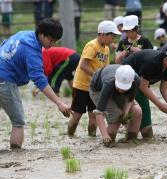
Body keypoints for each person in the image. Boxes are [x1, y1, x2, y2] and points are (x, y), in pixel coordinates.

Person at [0, 18, 71, 149]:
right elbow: (39, 79)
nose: (52, 44)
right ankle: (16, 158)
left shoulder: (23, 34)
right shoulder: (33, 50)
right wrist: (59, 102)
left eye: (55, 41)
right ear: (42, 34)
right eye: (51, 40)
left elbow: (3, 45)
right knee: (18, 122)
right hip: (5, 81)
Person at [67, 20, 121, 137]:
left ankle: (91, 138)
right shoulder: (92, 45)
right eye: (112, 36)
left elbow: (105, 68)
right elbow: (83, 65)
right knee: (77, 114)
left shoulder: (106, 49)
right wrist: (96, 76)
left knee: (94, 115)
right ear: (102, 34)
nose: (113, 39)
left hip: (95, 88)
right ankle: (69, 136)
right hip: (82, 85)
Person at [123, 46, 167, 138]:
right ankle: (133, 138)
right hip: (126, 78)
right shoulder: (152, 62)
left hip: (140, 82)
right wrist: (160, 106)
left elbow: (164, 87)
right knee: (144, 107)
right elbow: (143, 87)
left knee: (142, 110)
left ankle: (135, 137)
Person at [89, 64, 141, 146]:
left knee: (136, 111)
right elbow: (99, 113)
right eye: (120, 86)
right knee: (116, 115)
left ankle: (131, 141)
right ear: (116, 79)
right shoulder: (108, 83)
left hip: (114, 89)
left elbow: (130, 98)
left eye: (124, 87)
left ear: (132, 82)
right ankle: (108, 142)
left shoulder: (136, 79)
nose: (121, 90)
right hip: (98, 89)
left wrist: (126, 112)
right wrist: (104, 135)